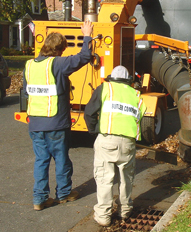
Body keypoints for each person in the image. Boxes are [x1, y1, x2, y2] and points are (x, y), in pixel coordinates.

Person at [23, 19, 93, 211]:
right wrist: (87, 34)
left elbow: (26, 93)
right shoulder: (58, 64)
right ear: (61, 49)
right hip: (56, 123)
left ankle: (40, 199)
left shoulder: (29, 66)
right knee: (61, 159)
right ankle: (63, 193)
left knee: (41, 160)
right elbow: (84, 56)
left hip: (36, 124)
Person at [84, 65, 146, 227]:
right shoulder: (136, 95)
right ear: (128, 81)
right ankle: (125, 210)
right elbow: (140, 115)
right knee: (126, 178)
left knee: (105, 177)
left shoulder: (105, 88)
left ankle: (104, 215)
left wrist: (94, 130)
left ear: (112, 78)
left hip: (107, 140)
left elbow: (89, 112)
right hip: (128, 143)